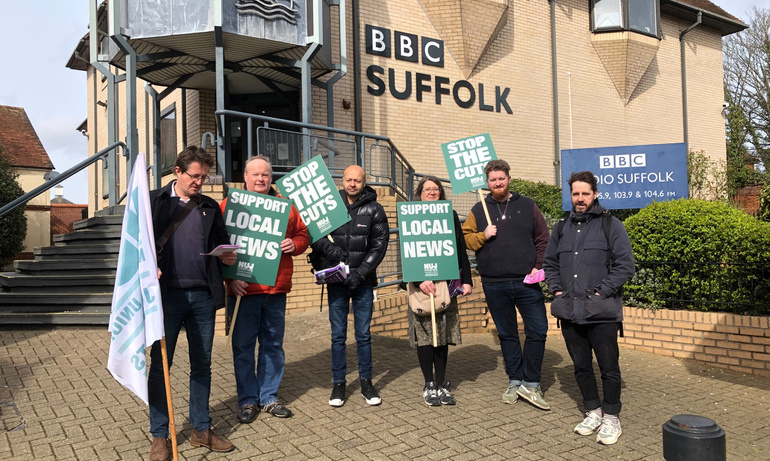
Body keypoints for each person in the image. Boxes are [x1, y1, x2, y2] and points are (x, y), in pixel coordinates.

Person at [148, 146, 237, 461]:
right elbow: (136, 245)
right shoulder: (153, 203)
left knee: (202, 364)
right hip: (167, 297)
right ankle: (161, 436)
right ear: (177, 171)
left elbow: (221, 243)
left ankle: (201, 428)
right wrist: (149, 266)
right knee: (160, 367)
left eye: (204, 176)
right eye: (194, 176)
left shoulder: (210, 206)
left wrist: (226, 256)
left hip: (202, 297)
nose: (199, 182)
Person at [543, 171, 635, 445]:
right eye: (575, 194)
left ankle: (611, 417)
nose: (580, 199)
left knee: (609, 367)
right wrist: (556, 289)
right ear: (570, 195)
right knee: (581, 367)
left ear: (595, 194)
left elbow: (625, 266)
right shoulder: (561, 228)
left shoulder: (612, 225)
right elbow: (550, 264)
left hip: (601, 312)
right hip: (570, 312)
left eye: (585, 193)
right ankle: (593, 411)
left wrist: (600, 292)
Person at [221, 155, 309, 422]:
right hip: (243, 289)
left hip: (275, 289)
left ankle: (269, 397)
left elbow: (304, 235)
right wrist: (229, 280)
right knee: (243, 347)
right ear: (245, 177)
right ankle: (248, 400)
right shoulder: (229, 206)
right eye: (255, 174)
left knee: (272, 345)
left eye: (266, 175)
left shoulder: (287, 207)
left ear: (272, 178)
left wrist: (295, 244)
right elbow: (219, 247)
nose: (260, 179)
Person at [462, 159, 551, 410]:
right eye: (492, 180)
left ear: (509, 179)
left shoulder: (528, 205)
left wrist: (538, 265)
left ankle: (531, 383)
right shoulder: (479, 210)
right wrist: (483, 235)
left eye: (501, 178)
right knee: (507, 334)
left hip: (527, 281)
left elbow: (543, 238)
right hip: (494, 283)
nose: (497, 183)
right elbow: (467, 240)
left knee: (538, 330)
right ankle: (515, 379)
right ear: (487, 183)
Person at [310, 165, 389, 407]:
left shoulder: (375, 209)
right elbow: (315, 233)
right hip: (337, 282)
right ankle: (339, 383)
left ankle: (366, 381)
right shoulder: (331, 205)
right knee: (337, 337)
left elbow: (379, 245)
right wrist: (328, 248)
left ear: (364, 182)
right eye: (348, 179)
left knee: (363, 335)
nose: (352, 184)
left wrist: (362, 273)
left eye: (357, 180)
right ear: (342, 181)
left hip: (363, 283)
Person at [406, 176, 473, 406]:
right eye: (428, 189)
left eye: (436, 189)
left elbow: (460, 249)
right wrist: (418, 279)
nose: (432, 192)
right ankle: (429, 384)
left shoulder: (450, 215)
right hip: (421, 286)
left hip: (446, 284)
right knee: (425, 337)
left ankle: (442, 382)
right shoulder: (411, 214)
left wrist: (467, 280)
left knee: (442, 336)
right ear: (420, 193)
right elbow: (406, 251)